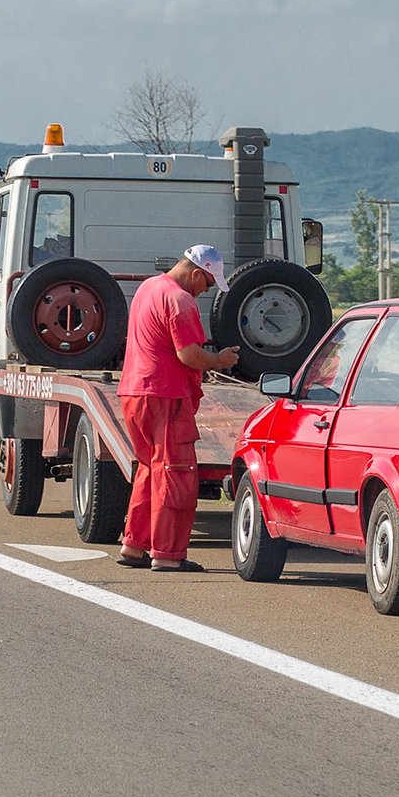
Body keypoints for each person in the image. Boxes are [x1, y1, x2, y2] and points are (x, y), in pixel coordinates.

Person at [117, 243, 239, 572]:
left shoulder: (147, 288)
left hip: (134, 392)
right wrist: (219, 360)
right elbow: (189, 355)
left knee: (149, 469)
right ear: (197, 273)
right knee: (177, 472)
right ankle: (167, 555)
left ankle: (134, 545)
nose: (206, 290)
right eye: (208, 283)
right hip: (165, 395)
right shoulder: (180, 300)